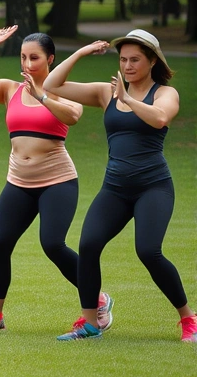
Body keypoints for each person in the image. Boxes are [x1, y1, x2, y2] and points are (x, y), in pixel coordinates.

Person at [0, 27, 111, 334]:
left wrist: (42, 94)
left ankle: (98, 299)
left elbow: (73, 117)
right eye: (23, 57)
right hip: (18, 182)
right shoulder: (9, 89)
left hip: (58, 181)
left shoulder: (63, 91)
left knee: (52, 244)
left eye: (34, 58)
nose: (26, 64)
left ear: (51, 59)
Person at [44, 30, 196, 342]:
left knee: (148, 251)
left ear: (152, 61)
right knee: (87, 246)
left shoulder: (165, 93)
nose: (127, 65)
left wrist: (128, 99)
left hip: (153, 187)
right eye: (123, 59)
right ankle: (90, 323)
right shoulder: (106, 93)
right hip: (115, 188)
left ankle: (188, 319)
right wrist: (81, 53)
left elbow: (160, 118)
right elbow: (51, 85)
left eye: (135, 59)